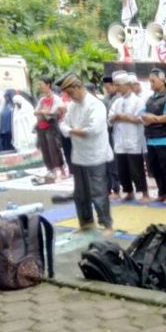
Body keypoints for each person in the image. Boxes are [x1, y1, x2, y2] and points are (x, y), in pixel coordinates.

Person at [56, 73, 113, 232]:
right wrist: (75, 130)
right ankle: (86, 222)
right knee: (80, 194)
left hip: (96, 155)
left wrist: (72, 130)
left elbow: (93, 130)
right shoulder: (73, 106)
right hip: (79, 155)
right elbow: (63, 126)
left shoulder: (95, 105)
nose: (69, 97)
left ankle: (106, 224)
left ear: (78, 87)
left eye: (70, 93)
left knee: (98, 192)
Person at [108, 72, 149, 202]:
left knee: (136, 168)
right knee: (122, 168)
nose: (117, 88)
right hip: (120, 140)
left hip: (134, 139)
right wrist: (119, 117)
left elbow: (140, 118)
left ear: (127, 85)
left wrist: (123, 117)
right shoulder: (116, 102)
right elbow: (110, 118)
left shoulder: (138, 101)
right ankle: (128, 191)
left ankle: (144, 193)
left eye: (118, 85)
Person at [141, 69, 166, 205]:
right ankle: (161, 192)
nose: (151, 84)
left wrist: (153, 119)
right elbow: (143, 113)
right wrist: (149, 118)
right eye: (150, 81)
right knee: (154, 167)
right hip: (151, 137)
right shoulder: (150, 98)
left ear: (163, 81)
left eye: (153, 81)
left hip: (165, 138)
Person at [34, 77, 66, 180]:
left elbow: (53, 113)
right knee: (45, 148)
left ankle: (60, 169)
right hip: (41, 126)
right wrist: (43, 112)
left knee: (54, 148)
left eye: (41, 85)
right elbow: (35, 112)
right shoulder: (42, 99)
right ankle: (50, 169)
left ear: (48, 85)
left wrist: (43, 112)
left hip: (51, 126)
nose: (40, 87)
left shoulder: (56, 98)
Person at [102, 74, 121, 196]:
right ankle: (109, 187)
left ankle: (117, 187)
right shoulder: (105, 99)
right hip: (105, 133)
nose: (107, 89)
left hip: (115, 132)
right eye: (105, 87)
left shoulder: (118, 99)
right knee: (107, 161)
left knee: (114, 161)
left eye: (108, 86)